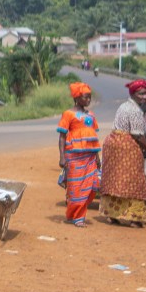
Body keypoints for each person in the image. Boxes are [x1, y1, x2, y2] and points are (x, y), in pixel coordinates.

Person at [99, 80, 146, 227]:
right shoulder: (135, 111)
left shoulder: (124, 105)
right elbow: (138, 136)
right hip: (126, 146)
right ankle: (135, 218)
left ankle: (112, 215)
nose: (144, 97)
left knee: (115, 180)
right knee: (135, 181)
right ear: (133, 93)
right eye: (141, 93)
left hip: (112, 143)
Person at [56, 82, 101, 227]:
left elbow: (93, 138)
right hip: (74, 156)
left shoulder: (91, 115)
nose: (88, 100)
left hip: (90, 157)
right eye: (85, 97)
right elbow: (62, 136)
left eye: (90, 97)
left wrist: (97, 157)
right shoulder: (68, 114)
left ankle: (75, 212)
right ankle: (78, 217)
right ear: (77, 98)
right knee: (76, 188)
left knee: (93, 186)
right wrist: (62, 157)